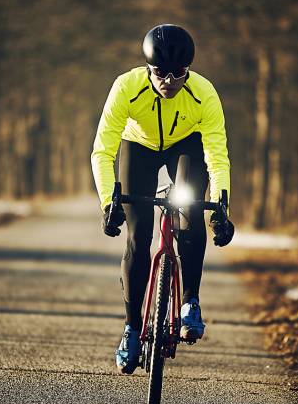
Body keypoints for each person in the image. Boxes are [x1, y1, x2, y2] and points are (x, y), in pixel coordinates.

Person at [91, 24, 236, 374]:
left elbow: (216, 155)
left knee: (190, 210)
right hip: (137, 145)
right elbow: (102, 150)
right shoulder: (126, 87)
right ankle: (131, 328)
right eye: (160, 73)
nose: (169, 81)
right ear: (148, 68)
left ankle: (190, 302)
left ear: (189, 71)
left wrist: (220, 208)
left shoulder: (205, 94)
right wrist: (108, 202)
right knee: (138, 237)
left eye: (179, 74)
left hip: (185, 145)